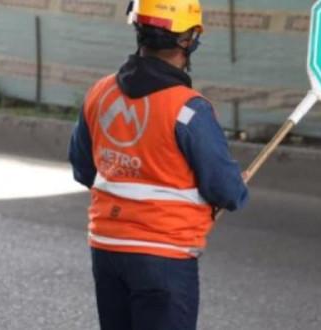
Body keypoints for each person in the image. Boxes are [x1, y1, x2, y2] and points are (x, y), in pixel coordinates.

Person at [68, 0, 248, 329]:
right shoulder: (188, 109)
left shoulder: (99, 93)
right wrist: (236, 186)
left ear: (138, 29)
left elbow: (83, 169)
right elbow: (226, 190)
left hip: (107, 248)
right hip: (163, 256)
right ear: (189, 39)